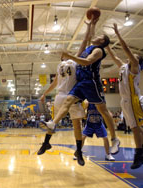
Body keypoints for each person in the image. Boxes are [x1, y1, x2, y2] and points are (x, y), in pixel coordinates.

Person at [42, 16, 120, 155]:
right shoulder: (90, 47)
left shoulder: (98, 51)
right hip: (81, 84)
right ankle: (53, 124)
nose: (95, 36)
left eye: (99, 36)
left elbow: (86, 62)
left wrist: (70, 56)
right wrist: (90, 25)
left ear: (102, 41)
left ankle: (114, 139)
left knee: (103, 111)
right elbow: (88, 38)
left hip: (92, 83)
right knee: (68, 101)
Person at [37, 19, 96, 166]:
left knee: (61, 124)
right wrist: (45, 93)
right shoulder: (67, 64)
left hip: (65, 96)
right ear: (63, 57)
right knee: (65, 124)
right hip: (66, 96)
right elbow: (55, 82)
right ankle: (71, 150)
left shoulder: (67, 63)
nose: (69, 53)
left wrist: (89, 27)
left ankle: (54, 145)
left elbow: (84, 42)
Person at [106, 23, 143, 169]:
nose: (131, 56)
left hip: (132, 100)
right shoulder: (123, 67)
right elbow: (114, 56)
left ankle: (138, 155)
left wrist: (118, 34)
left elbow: (126, 49)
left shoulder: (135, 66)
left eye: (135, 56)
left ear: (138, 61)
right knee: (136, 127)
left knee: (135, 128)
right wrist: (106, 45)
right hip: (125, 101)